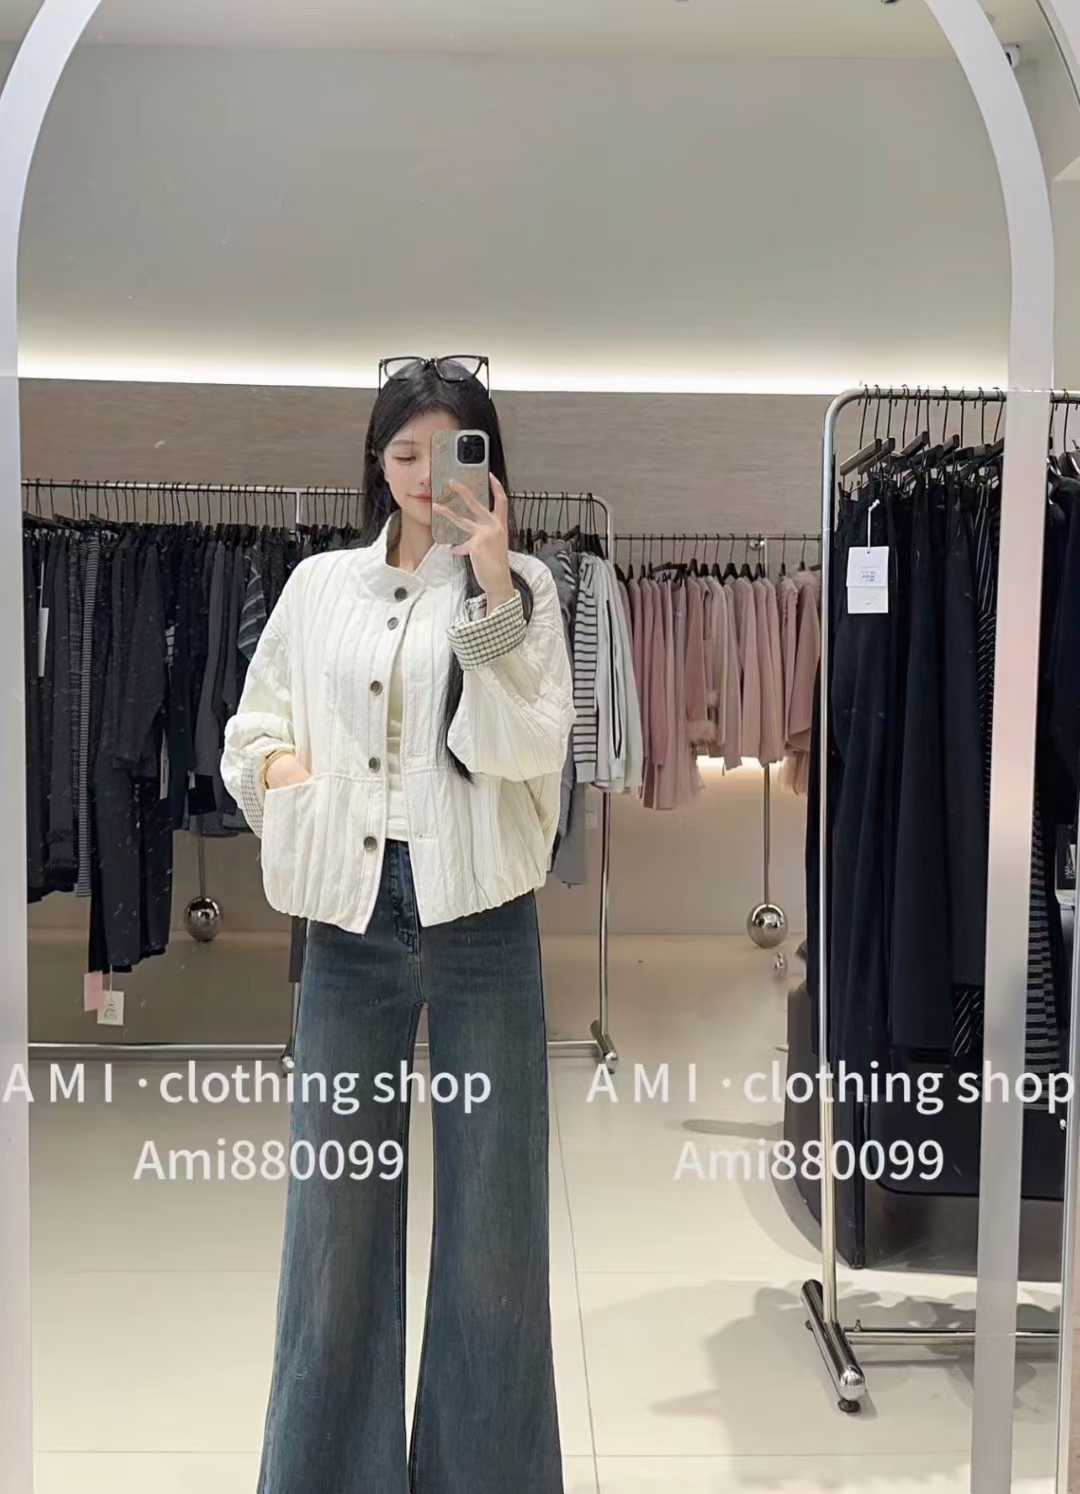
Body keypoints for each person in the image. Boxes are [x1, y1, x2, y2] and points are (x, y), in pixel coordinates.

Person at [220, 356, 575, 1493]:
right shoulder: (318, 585)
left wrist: (490, 586)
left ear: (489, 462)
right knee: (335, 1223)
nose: (426, 476)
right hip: (351, 924)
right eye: (405, 452)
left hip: (484, 924)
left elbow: (525, 746)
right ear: (377, 462)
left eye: (450, 452)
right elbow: (251, 729)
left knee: (494, 1227)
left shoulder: (525, 587)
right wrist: (288, 779)